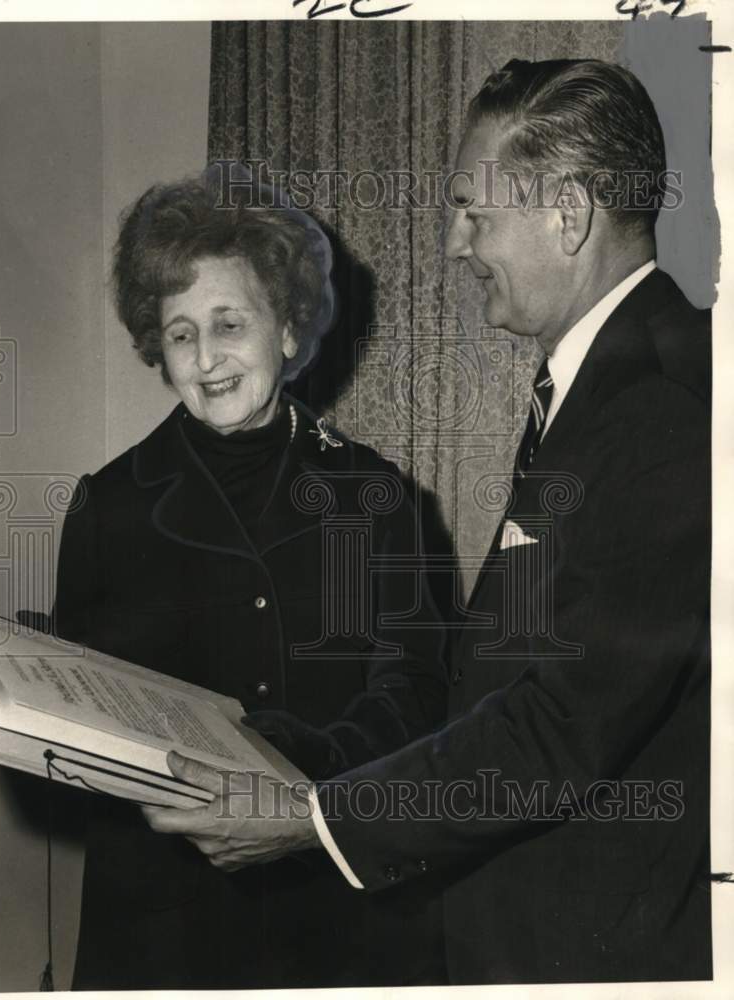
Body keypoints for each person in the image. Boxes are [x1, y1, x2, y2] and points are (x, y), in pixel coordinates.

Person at [144, 60, 713, 984]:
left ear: (567, 213)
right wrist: (302, 762)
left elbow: (555, 726)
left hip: (592, 945)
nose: (454, 242)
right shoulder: (617, 380)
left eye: (471, 211)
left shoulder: (661, 407)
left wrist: (313, 817)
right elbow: (498, 675)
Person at [51, 166, 448, 989]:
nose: (206, 357)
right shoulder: (108, 504)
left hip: (333, 902)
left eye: (229, 324)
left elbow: (413, 689)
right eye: (180, 333)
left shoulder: (375, 496)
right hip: (166, 918)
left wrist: (299, 784)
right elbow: (79, 705)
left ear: (291, 330)